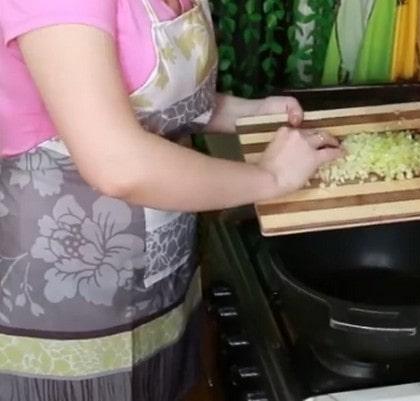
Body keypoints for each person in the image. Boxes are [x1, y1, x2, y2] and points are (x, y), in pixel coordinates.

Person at [0, 0, 342, 400]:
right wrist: (271, 178)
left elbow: (147, 97)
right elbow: (116, 165)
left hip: (161, 261)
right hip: (65, 278)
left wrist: (247, 113)